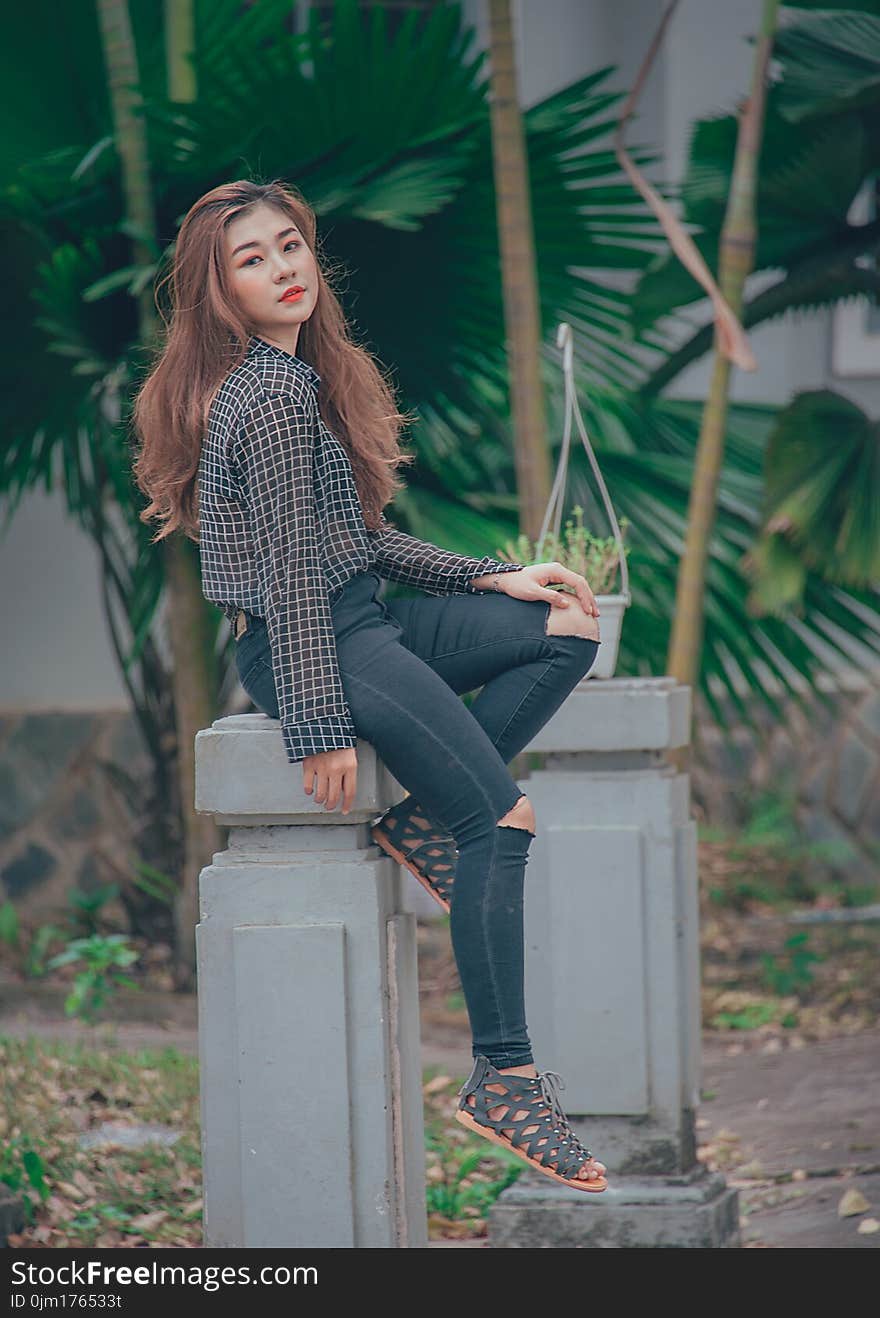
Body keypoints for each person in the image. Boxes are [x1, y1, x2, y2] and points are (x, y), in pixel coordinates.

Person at [132, 178, 607, 1193]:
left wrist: (492, 575)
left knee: (564, 623)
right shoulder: (263, 397)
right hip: (316, 640)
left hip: (363, 613)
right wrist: (314, 720)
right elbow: (296, 578)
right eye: (250, 258)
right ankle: (504, 1077)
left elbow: (357, 541)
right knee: (503, 821)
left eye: (289, 244)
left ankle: (433, 821)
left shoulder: (303, 375)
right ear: (218, 291)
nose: (282, 266)